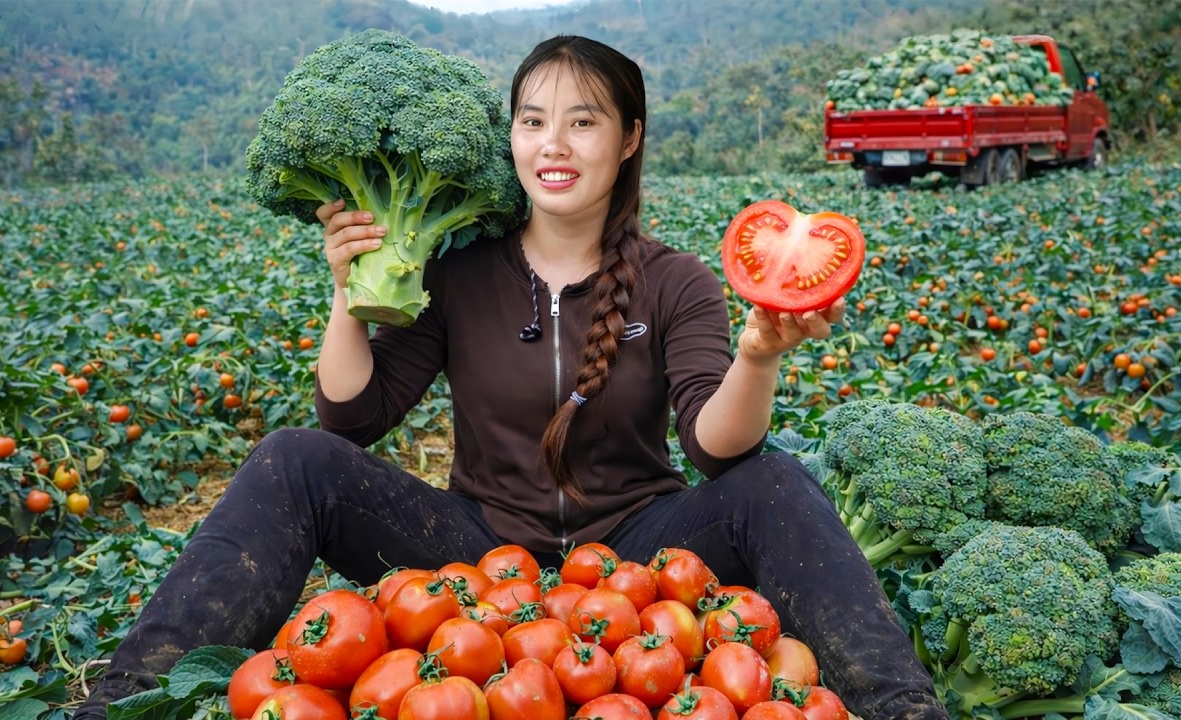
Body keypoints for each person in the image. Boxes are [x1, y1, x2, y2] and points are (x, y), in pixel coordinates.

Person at [75, 35, 948, 720]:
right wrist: (348, 292)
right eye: (532, 120)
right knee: (293, 457)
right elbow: (352, 418)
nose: (553, 144)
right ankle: (123, 703)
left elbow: (714, 452)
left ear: (629, 135)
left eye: (583, 120)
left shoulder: (674, 279)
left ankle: (901, 709)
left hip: (638, 554)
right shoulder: (459, 270)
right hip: (475, 552)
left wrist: (757, 356)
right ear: (511, 138)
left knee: (775, 481)